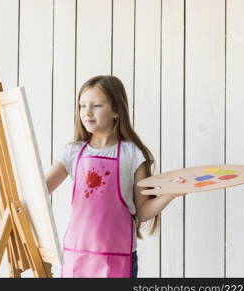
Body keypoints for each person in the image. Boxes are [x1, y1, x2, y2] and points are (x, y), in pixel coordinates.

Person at [45, 75, 185, 278]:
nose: (87, 112)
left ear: (116, 111)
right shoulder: (72, 152)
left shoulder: (132, 154)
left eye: (96, 106)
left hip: (118, 257)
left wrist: (170, 194)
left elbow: (143, 211)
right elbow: (39, 191)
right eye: (82, 106)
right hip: (77, 255)